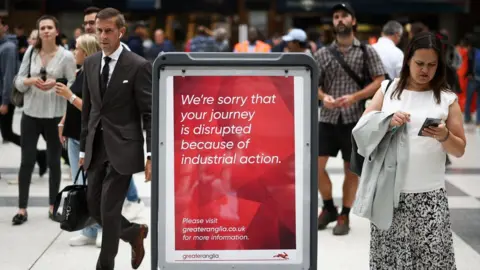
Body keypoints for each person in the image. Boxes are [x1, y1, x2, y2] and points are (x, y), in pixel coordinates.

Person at [363, 31, 465, 269]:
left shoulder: (447, 98)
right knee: (390, 261)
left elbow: (459, 149)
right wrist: (387, 120)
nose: (424, 70)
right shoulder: (388, 89)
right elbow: (362, 129)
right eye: (419, 63)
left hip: (429, 197)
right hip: (389, 195)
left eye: (432, 65)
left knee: (432, 261)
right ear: (408, 59)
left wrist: (445, 136)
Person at [79, 8, 151, 269]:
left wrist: (151, 154)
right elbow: (88, 110)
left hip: (124, 148)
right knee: (93, 207)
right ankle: (133, 233)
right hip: (96, 148)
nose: (102, 35)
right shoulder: (89, 63)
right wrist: (82, 149)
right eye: (99, 30)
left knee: (108, 211)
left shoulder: (139, 65)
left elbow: (149, 113)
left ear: (121, 32)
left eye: (108, 30)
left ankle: (105, 265)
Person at [313, 3, 385, 235]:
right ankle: (327, 207)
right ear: (333, 22)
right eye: (336, 16)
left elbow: (379, 81)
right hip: (327, 117)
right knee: (314, 166)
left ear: (353, 21)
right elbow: (313, 83)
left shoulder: (366, 51)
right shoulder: (322, 53)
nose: (340, 20)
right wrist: (324, 97)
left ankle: (344, 214)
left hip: (355, 120)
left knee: (350, 169)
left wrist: (355, 97)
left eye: (344, 16)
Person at [12, 15, 76, 225]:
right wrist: (32, 81)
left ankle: (52, 206)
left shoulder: (66, 56)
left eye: (49, 27)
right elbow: (19, 81)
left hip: (55, 115)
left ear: (56, 31)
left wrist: (55, 83)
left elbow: (73, 83)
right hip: (30, 114)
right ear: (38, 32)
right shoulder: (31, 52)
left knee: (53, 162)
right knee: (26, 161)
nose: (46, 31)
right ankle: (22, 208)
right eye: (42, 28)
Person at [55, 33, 105, 247]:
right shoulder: (79, 72)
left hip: (90, 137)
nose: (74, 52)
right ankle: (89, 230)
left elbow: (94, 109)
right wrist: (63, 123)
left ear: (86, 51)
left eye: (77, 48)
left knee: (95, 184)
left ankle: (102, 228)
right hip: (74, 135)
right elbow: (72, 107)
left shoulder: (96, 74)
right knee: (80, 184)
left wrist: (69, 95)